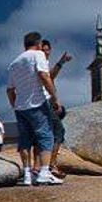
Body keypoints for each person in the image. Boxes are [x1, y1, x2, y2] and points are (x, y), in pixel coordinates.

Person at [6, 32, 65, 186]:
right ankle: (45, 172)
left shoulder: (14, 64)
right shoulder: (37, 55)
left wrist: (15, 106)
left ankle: (27, 175)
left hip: (20, 107)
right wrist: (54, 97)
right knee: (46, 136)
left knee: (25, 141)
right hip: (37, 103)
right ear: (38, 44)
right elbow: (44, 76)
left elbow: (10, 90)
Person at [41, 39, 72, 178]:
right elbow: (51, 77)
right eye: (43, 50)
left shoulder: (43, 63)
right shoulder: (40, 64)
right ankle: (51, 165)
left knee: (50, 132)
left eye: (47, 50)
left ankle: (44, 165)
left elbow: (51, 78)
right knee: (59, 131)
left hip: (46, 102)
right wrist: (55, 101)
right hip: (45, 102)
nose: (45, 52)